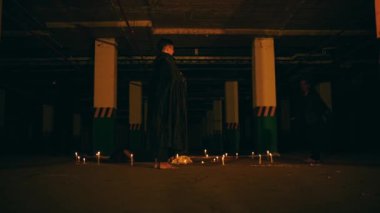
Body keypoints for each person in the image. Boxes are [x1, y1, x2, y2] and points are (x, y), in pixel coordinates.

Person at [147, 38, 188, 169]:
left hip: (159, 102)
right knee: (166, 129)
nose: (174, 51)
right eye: (173, 48)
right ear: (168, 48)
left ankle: (159, 161)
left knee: (160, 128)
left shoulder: (158, 62)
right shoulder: (167, 62)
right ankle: (163, 162)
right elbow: (173, 83)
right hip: (167, 103)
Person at [293, 78, 331, 163]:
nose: (302, 86)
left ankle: (315, 157)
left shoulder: (313, 95)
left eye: (303, 84)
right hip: (307, 121)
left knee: (315, 138)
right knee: (310, 138)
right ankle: (313, 156)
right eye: (301, 85)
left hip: (314, 121)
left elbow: (321, 106)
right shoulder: (303, 95)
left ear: (308, 85)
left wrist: (319, 117)